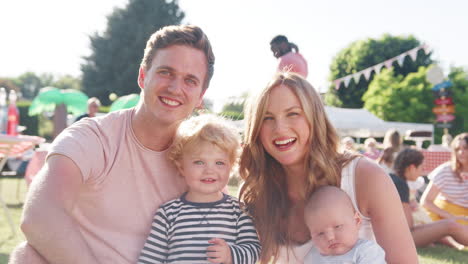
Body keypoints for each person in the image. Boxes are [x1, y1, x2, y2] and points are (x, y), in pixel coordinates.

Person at [10, 24, 215, 264]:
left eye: (190, 80)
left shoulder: (205, 160)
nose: (175, 87)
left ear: (201, 95)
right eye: (166, 72)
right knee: (28, 255)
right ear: (142, 76)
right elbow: (40, 216)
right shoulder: (92, 137)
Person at [239, 72, 417, 263]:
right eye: (267, 118)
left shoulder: (364, 177)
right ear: (255, 129)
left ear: (315, 119)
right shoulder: (257, 193)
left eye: (293, 114)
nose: (280, 128)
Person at [137, 114, 260, 264]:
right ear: (181, 167)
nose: (209, 170)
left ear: (231, 166)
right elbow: (151, 258)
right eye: (199, 162)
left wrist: (230, 254)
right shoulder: (168, 213)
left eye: (219, 163)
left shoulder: (239, 211)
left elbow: (254, 251)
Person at [390, 148, 468, 248]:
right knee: (450, 225)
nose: (421, 173)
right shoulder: (401, 185)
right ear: (412, 167)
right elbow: (408, 226)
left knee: (445, 225)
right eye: (421, 168)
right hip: (398, 239)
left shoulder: (391, 179)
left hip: (390, 235)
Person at [303, 186, 386, 263]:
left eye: (337, 227)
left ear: (356, 221)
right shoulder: (312, 258)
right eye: (320, 233)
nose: (330, 237)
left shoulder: (366, 251)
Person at [421, 133, 468, 225]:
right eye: (457, 149)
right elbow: (426, 201)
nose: (461, 152)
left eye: (465, 148)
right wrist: (451, 217)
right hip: (443, 214)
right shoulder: (445, 170)